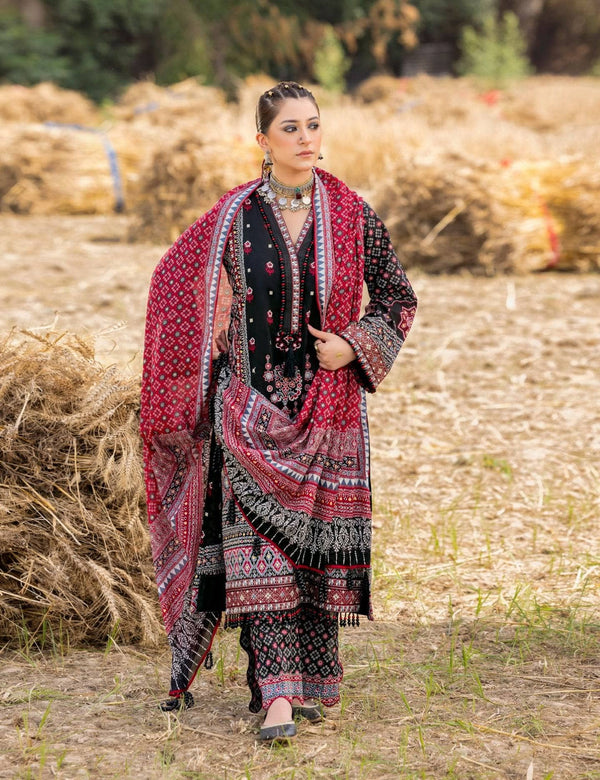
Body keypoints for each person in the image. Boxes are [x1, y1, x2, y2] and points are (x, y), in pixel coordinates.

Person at [140, 81, 417, 742]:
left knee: (314, 554)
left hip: (328, 415)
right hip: (248, 411)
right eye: (290, 128)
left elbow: (398, 298)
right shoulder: (233, 215)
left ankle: (312, 682)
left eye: (313, 124)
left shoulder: (350, 212)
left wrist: (354, 345)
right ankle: (278, 697)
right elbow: (171, 280)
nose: (305, 138)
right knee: (258, 557)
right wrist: (210, 318)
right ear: (261, 140)